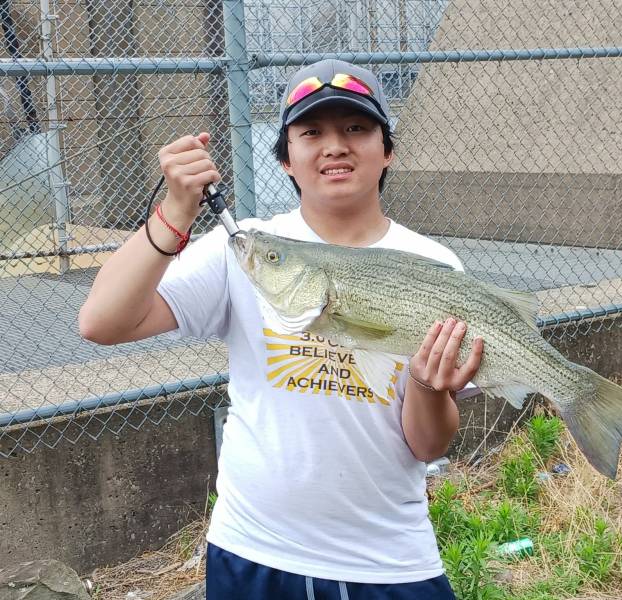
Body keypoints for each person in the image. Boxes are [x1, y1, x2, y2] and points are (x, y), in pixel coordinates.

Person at [79, 59, 483, 599]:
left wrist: (432, 387)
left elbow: (427, 444)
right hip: (253, 551)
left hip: (387, 563)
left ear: (387, 150)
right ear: (286, 159)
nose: (334, 146)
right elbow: (101, 321)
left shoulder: (432, 266)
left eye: (356, 129)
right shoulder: (249, 249)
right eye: (311, 132)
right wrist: (175, 211)